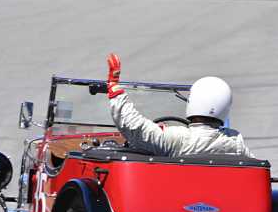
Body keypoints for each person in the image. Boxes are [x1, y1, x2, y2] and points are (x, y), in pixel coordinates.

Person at [105, 53, 255, 158]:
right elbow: (257, 166)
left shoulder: (177, 139)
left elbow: (134, 127)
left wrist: (115, 89)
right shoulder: (235, 142)